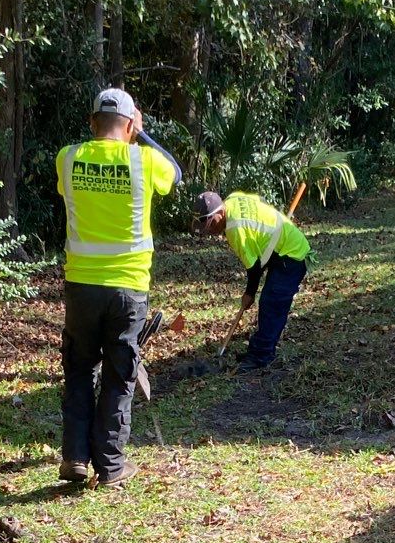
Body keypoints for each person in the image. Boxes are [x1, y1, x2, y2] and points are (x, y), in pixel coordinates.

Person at [55, 88, 182, 486]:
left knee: (79, 369)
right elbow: (175, 174)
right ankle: (110, 466)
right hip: (128, 288)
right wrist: (141, 135)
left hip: (81, 285)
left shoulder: (68, 158)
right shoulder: (144, 160)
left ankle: (75, 457)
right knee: (119, 371)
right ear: (130, 126)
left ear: (92, 123)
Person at [195, 188, 310, 371]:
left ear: (220, 212)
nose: (210, 230)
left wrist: (249, 294)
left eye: (211, 223)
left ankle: (261, 356)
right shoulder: (232, 199)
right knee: (269, 302)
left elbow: (254, 268)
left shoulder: (235, 230)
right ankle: (258, 350)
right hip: (278, 248)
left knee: (271, 303)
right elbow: (259, 200)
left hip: (292, 254)